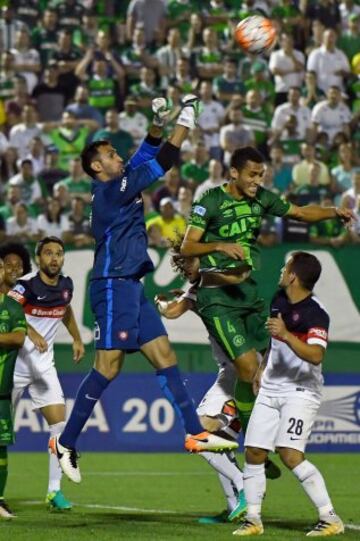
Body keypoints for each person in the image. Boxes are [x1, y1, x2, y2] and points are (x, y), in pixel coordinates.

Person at [49, 95, 238, 485]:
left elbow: (147, 150)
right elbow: (162, 160)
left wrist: (156, 121)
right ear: (97, 166)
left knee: (164, 354)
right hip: (113, 284)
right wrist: (186, 118)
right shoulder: (110, 190)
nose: (119, 157)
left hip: (131, 284)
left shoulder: (117, 180)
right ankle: (65, 442)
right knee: (109, 366)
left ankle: (194, 432)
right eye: (111, 154)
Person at [180, 146, 354, 436]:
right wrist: (220, 245)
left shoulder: (262, 198)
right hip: (217, 300)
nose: (257, 181)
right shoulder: (209, 200)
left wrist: (333, 212)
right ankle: (252, 439)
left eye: (261, 175)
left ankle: (247, 427)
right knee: (248, 370)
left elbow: (298, 212)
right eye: (251, 174)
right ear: (234, 173)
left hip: (248, 294)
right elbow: (187, 246)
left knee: (264, 368)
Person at [233, 252, 344, 537]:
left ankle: (329, 517)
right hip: (271, 387)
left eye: (286, 267)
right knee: (255, 451)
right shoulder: (278, 300)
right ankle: (254, 520)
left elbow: (316, 355)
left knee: (290, 454)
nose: (281, 270)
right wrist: (261, 368)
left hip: (301, 391)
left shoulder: (316, 313)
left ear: (293, 275)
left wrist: (286, 334)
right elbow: (273, 342)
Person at [8, 236, 85, 511]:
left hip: (43, 368)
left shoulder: (66, 286)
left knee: (60, 429)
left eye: (59, 253)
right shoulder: (25, 285)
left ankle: (54, 491)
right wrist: (31, 331)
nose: (54, 258)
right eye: (49, 253)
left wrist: (76, 338)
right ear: (39, 258)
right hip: (14, 366)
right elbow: (8, 310)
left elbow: (65, 311)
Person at [0, 257, 27, 519]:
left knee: (1, 447)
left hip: (1, 394)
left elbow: (19, 338)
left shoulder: (13, 307)